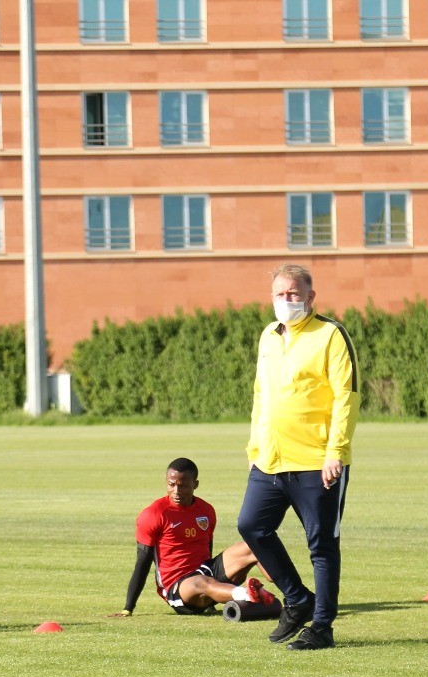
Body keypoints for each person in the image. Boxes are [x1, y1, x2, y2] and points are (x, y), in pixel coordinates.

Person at [237, 264, 358, 651]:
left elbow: (347, 398)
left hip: (316, 461)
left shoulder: (330, 335)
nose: (285, 301)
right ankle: (297, 597)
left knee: (321, 544)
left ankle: (322, 626)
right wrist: (254, 448)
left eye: (293, 294)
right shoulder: (268, 336)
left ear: (310, 297)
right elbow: (261, 396)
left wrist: (334, 453)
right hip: (270, 460)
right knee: (251, 526)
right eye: (279, 294)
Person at [113, 458, 278, 616]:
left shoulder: (206, 510)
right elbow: (142, 563)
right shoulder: (153, 514)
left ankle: (290, 592)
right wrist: (128, 608)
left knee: (253, 546)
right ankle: (249, 595)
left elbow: (207, 548)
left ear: (195, 485)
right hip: (178, 588)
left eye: (183, 486)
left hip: (206, 572)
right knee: (202, 582)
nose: (176, 491)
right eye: (171, 485)